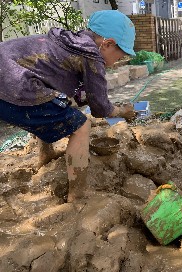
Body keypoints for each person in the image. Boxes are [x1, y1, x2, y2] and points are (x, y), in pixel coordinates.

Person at [0, 10, 137, 202]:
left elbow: (72, 92)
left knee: (52, 105)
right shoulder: (92, 56)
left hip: (8, 73)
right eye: (120, 55)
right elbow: (100, 109)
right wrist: (123, 111)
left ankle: (45, 155)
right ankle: (77, 195)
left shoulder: (70, 44)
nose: (117, 62)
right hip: (13, 85)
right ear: (108, 44)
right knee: (81, 126)